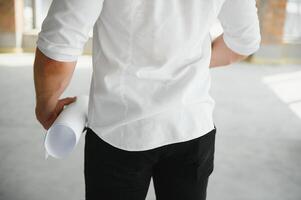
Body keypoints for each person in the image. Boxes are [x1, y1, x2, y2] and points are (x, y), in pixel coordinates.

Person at [33, 0, 261, 199]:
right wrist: (187, 63)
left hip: (119, 130)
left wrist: (46, 105)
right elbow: (243, 42)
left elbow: (59, 46)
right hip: (191, 125)